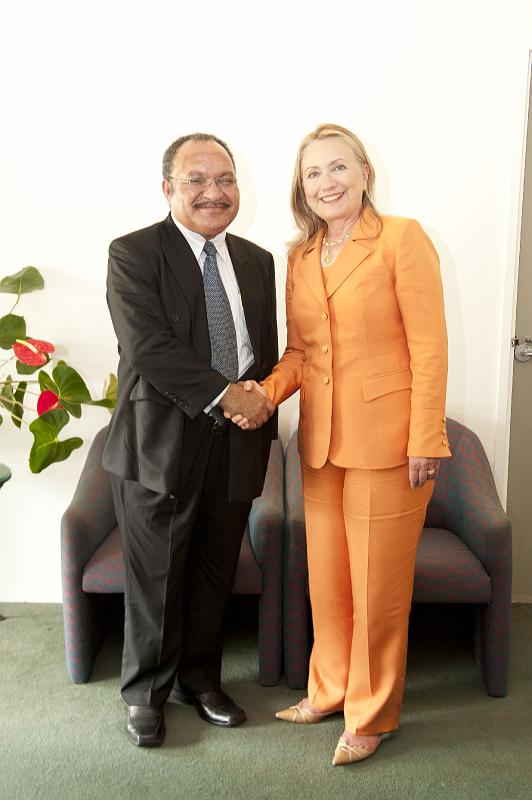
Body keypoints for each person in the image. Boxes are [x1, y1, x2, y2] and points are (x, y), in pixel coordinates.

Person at [229, 123, 450, 765]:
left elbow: (429, 347)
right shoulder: (300, 256)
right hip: (320, 445)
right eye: (313, 174)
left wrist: (426, 434)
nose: (327, 183)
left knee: (379, 587)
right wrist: (266, 394)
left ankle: (373, 713)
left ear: (364, 173)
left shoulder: (403, 239)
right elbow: (301, 352)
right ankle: (329, 688)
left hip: (390, 443)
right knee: (328, 585)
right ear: (302, 188)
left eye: (338, 168)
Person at [102, 132, 277, 747]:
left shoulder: (257, 260)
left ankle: (200, 680)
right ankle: (145, 694)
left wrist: (261, 401)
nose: (213, 191)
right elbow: (148, 347)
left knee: (212, 569)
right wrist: (229, 394)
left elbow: (264, 353)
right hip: (160, 442)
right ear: (168, 189)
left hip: (238, 442)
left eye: (225, 179)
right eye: (197, 180)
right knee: (157, 573)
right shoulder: (133, 253)